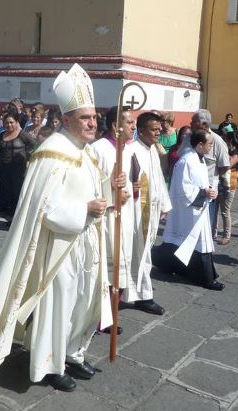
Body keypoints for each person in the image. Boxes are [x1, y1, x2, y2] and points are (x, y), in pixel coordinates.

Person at [0, 64, 112, 393]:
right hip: (57, 247)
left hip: (86, 241)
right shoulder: (51, 153)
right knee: (59, 305)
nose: (92, 123)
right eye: (85, 118)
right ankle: (49, 364)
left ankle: (73, 353)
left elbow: (97, 193)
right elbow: (46, 209)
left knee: (83, 301)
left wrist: (114, 191)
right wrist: (84, 209)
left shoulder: (87, 153)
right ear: (66, 120)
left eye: (94, 117)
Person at [153, 129, 223, 291]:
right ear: (199, 145)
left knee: (192, 241)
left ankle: (186, 270)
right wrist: (204, 192)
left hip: (198, 208)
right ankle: (206, 278)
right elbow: (182, 189)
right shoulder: (186, 161)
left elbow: (201, 181)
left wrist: (209, 189)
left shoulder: (199, 159)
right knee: (196, 242)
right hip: (188, 211)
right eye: (209, 144)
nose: (211, 147)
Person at [91, 105, 134, 329]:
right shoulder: (98, 149)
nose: (134, 126)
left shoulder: (127, 149)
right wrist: (112, 194)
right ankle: (101, 317)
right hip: (105, 220)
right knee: (105, 272)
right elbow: (90, 184)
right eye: (129, 122)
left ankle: (110, 316)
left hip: (123, 217)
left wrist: (129, 190)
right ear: (116, 126)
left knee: (119, 270)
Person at [129, 111, 173, 314]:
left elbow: (158, 178)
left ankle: (138, 293)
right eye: (154, 129)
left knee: (144, 253)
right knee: (140, 254)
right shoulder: (132, 151)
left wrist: (164, 204)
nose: (159, 132)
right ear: (141, 130)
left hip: (152, 211)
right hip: (138, 213)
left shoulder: (153, 149)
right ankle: (144, 296)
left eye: (159, 129)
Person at [179, 109, 230, 237]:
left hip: (207, 194)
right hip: (187, 191)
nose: (190, 123)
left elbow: (224, 166)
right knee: (186, 229)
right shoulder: (188, 138)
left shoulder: (217, 141)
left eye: (193, 121)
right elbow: (180, 155)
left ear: (204, 124)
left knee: (203, 230)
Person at [0, 111, 36, 215]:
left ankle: (16, 217)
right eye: (7, 123)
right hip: (4, 168)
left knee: (17, 193)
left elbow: (34, 145)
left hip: (18, 169)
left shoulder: (22, 134)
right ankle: (9, 214)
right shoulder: (1, 135)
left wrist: (27, 158)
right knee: (7, 192)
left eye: (12, 122)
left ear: (17, 122)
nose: (9, 125)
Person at [217, 133, 238, 245]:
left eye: (225, 140)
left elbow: (228, 164)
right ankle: (213, 232)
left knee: (225, 211)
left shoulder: (236, 153)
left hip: (229, 185)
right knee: (215, 210)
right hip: (219, 183)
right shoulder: (226, 151)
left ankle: (227, 235)